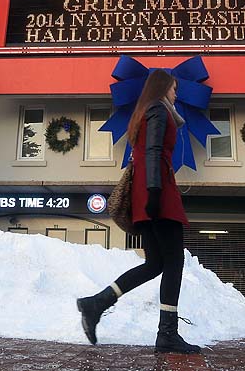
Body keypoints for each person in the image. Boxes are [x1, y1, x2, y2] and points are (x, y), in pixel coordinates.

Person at [76, 69, 201, 354]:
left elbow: (147, 152)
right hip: (157, 194)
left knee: (156, 264)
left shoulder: (145, 112)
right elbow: (154, 151)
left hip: (146, 194)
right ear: (162, 87)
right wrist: (156, 194)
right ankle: (167, 334)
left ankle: (97, 303)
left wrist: (150, 195)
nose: (176, 93)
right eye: (173, 88)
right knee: (174, 264)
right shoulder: (158, 109)